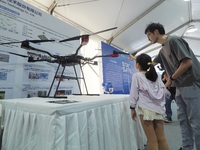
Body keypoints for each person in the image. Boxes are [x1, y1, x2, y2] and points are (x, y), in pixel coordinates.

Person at [144, 22, 200, 150]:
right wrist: (137, 59)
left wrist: (171, 79)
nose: (148, 39)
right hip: (180, 87)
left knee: (196, 123)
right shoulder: (162, 50)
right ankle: (187, 147)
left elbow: (187, 62)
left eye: (149, 35)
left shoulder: (174, 40)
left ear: (156, 32)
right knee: (183, 121)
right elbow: (151, 62)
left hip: (191, 84)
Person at [129, 53, 170, 150]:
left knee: (152, 140)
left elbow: (133, 94)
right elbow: (165, 92)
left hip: (146, 110)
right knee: (162, 138)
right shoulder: (155, 76)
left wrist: (132, 108)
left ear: (137, 65)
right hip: (158, 109)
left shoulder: (137, 76)